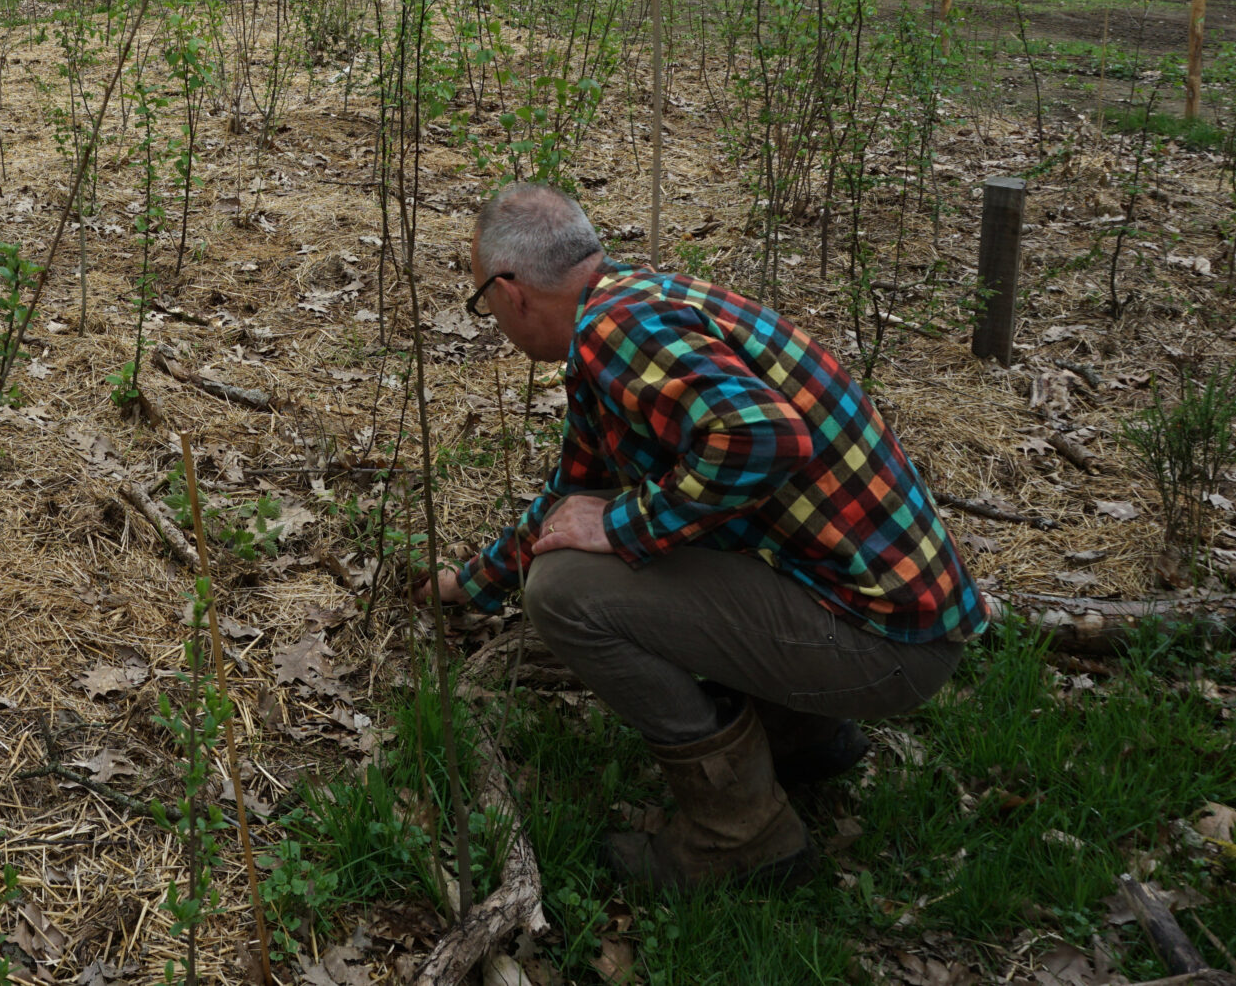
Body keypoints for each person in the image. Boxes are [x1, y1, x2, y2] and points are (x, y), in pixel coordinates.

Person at [420, 183, 986, 890]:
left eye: (483, 303)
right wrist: (468, 584)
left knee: (564, 591)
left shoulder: (614, 333)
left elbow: (766, 435)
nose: (493, 319)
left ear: (511, 292)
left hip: (890, 642)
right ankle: (802, 738)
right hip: (899, 615)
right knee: (632, 534)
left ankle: (740, 833)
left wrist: (624, 524)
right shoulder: (630, 307)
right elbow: (576, 494)